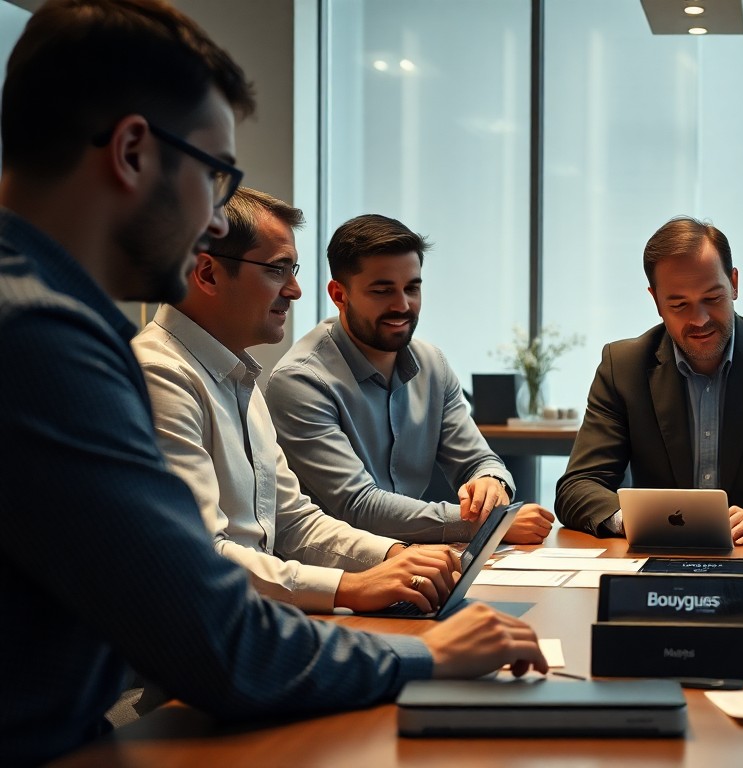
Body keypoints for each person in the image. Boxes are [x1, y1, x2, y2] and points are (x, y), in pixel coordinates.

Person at [0, 3, 544, 764]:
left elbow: (275, 533)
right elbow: (213, 632)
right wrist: (429, 656)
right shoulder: (41, 338)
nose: (214, 220)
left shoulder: (50, 314)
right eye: (217, 176)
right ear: (131, 152)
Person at [133, 188, 465, 613]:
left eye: (293, 270)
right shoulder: (158, 374)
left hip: (253, 622)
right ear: (208, 274)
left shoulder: (239, 374)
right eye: (277, 270)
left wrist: (393, 556)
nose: (295, 291)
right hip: (198, 646)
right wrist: (348, 587)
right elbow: (200, 555)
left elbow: (292, 522)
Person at [555, 216, 743, 544]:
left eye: (712, 298)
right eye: (679, 305)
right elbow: (577, 487)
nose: (699, 319)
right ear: (656, 301)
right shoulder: (624, 367)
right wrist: (632, 520)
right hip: (657, 559)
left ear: (733, 283)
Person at [267, 213, 554, 545]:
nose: (402, 305)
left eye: (412, 288)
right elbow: (357, 506)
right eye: (382, 290)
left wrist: (491, 484)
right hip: (339, 574)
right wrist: (482, 524)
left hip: (416, 561)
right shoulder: (301, 380)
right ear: (339, 295)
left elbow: (479, 460)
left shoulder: (432, 364)